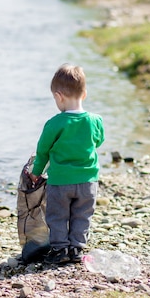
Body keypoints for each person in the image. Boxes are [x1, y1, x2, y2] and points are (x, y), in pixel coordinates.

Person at [29, 63, 105, 264]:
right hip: (88, 181)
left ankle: (60, 249)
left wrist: (36, 171)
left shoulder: (55, 123)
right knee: (82, 216)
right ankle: (76, 249)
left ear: (58, 96)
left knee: (58, 216)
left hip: (60, 182)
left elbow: (43, 152)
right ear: (85, 94)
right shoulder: (95, 120)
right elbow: (99, 141)